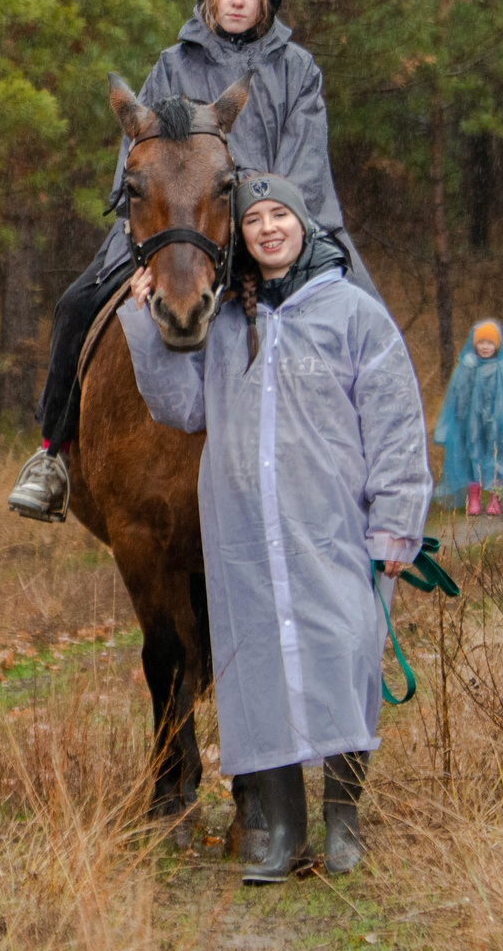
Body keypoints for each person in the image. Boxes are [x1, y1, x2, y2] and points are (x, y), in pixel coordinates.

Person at [117, 172, 430, 883]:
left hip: (334, 528)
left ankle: (343, 822)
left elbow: (396, 422)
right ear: (243, 237)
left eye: (278, 214)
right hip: (245, 538)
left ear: (303, 223)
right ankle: (282, 829)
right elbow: (180, 409)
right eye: (254, 218)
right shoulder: (229, 321)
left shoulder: (354, 313)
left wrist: (395, 524)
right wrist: (143, 323)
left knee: (346, 656)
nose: (266, 228)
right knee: (259, 673)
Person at [8, 0, 376, 523]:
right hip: (171, 224)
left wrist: (259, 214)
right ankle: (51, 455)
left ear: (266, 3)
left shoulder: (297, 70)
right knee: (76, 305)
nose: (236, 0)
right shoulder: (172, 64)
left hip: (271, 220)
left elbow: (305, 163)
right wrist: (137, 206)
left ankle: (370, 466)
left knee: (361, 304)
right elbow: (137, 141)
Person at [433, 320, 503, 516]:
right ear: (474, 344)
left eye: (489, 343)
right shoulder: (468, 365)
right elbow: (459, 393)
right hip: (472, 424)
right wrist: (460, 416)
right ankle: (473, 499)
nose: (485, 347)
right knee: (473, 458)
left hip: (499, 424)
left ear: (497, 345)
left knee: (498, 460)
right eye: (481, 342)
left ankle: (494, 498)